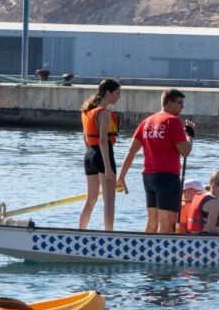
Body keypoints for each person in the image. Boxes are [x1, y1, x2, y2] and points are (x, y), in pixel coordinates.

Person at [117, 88, 194, 234]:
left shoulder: (146, 122)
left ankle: (142, 253)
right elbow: (185, 151)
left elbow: (131, 151)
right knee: (167, 224)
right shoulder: (173, 121)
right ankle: (163, 255)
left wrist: (121, 176)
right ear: (169, 103)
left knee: (152, 222)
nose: (182, 106)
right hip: (167, 177)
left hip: (149, 177)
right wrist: (190, 135)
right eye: (180, 103)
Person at [78, 78, 121, 231]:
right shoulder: (104, 113)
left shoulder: (87, 110)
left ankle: (80, 231)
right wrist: (108, 167)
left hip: (89, 154)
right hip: (103, 155)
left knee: (91, 199)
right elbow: (103, 141)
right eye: (117, 93)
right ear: (108, 93)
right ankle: (108, 234)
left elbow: (85, 137)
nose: (118, 97)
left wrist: (91, 154)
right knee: (109, 200)